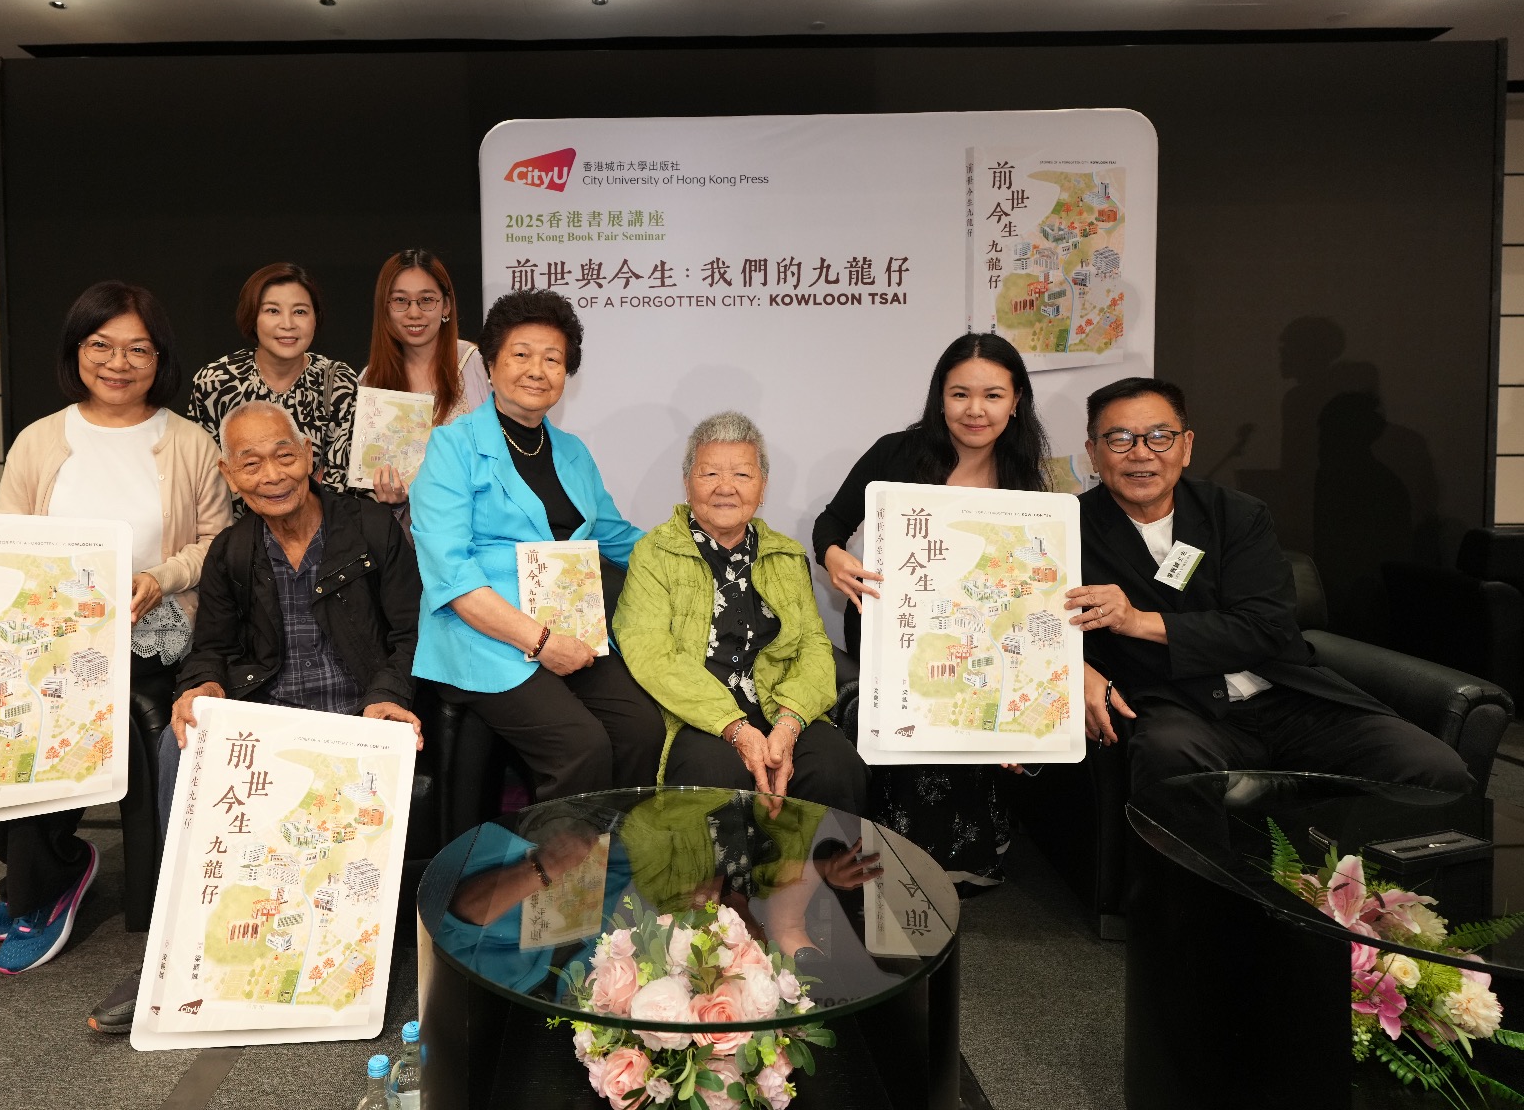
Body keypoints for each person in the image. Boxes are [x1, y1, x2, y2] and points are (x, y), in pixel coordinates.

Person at [0, 281, 232, 976]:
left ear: (160, 359)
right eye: (101, 345)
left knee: (52, 707)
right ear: (76, 350)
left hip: (147, 631)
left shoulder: (188, 442)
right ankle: (49, 862)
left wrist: (163, 576)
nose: (118, 363)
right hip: (44, 629)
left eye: (138, 349)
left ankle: (39, 889)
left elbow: (219, 542)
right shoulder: (39, 440)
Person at [86, 398, 424, 1032]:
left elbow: (410, 632)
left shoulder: (371, 528)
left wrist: (389, 695)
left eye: (283, 455)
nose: (272, 475)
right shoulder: (233, 550)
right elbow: (210, 647)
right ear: (229, 475)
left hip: (359, 717)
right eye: (251, 463)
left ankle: (334, 961)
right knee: (181, 740)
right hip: (270, 715)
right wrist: (202, 684)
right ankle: (174, 949)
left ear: (309, 457)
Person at [1071, 375, 1472, 796]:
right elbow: (1037, 627)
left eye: (1159, 437)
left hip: (1285, 695)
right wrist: (1076, 669)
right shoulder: (1064, 528)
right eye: (1119, 439)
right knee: (1170, 759)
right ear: (1093, 453)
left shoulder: (1237, 515)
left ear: (1186, 446)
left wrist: (1137, 622)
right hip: (1175, 705)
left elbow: (1265, 628)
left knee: (1431, 768)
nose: (1141, 453)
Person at [811, 332, 1051, 888]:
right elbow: (830, 523)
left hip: (979, 637)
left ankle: (965, 857)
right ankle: (892, 858)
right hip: (893, 633)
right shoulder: (897, 452)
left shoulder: (1023, 473)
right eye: (959, 394)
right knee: (911, 716)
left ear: (1016, 401)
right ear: (939, 397)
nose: (975, 410)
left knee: (974, 704)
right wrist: (835, 558)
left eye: (993, 395)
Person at [410, 288, 664, 801]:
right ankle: (563, 858)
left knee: (642, 730)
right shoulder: (452, 447)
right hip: (484, 636)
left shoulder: (572, 451)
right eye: (521, 354)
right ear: (491, 364)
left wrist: (696, 551)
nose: (537, 370)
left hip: (570, 624)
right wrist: (541, 642)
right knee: (581, 747)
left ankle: (617, 849)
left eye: (553, 359)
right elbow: (451, 573)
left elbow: (616, 537)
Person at [614, 411, 868, 813]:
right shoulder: (654, 553)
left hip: (781, 706)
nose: (726, 487)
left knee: (835, 768)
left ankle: (812, 858)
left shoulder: (786, 555)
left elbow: (814, 647)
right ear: (687, 483)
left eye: (743, 475)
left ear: (762, 487)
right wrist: (735, 729)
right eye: (710, 473)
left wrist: (788, 725)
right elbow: (650, 653)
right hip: (698, 714)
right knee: (713, 777)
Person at [188, 261, 359, 491]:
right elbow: (203, 478)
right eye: (273, 311)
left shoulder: (337, 381)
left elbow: (341, 482)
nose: (288, 324)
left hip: (317, 513)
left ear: (315, 318)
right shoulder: (216, 382)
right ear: (252, 318)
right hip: (233, 514)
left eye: (300, 312)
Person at [358, 248, 492, 506]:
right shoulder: (370, 380)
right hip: (402, 523)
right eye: (400, 300)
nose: (414, 313)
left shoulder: (475, 364)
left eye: (426, 299)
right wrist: (388, 497)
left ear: (446, 305)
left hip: (477, 517)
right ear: (385, 308)